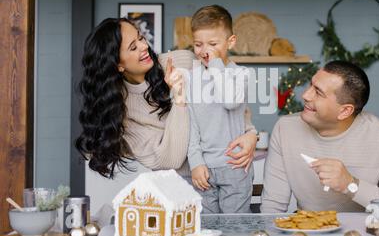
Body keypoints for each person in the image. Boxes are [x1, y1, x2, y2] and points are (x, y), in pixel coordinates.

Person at [75, 18, 258, 179]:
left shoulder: (183, 61)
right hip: (181, 189)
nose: (144, 46)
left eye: (140, 38)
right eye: (133, 47)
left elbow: (229, 95)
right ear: (118, 65)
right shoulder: (123, 113)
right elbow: (170, 159)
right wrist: (179, 101)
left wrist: (250, 133)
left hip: (223, 173)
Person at [261, 60, 379, 213]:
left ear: (345, 111)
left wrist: (351, 185)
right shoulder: (285, 128)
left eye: (318, 92)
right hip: (307, 230)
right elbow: (272, 207)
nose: (305, 95)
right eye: (311, 85)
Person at [186, 5, 254, 213]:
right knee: (206, 228)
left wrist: (215, 64)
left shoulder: (242, 74)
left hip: (234, 166)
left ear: (230, 41)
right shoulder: (191, 77)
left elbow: (230, 101)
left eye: (213, 44)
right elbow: (190, 125)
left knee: (235, 230)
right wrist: (195, 162)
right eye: (198, 44)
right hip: (203, 168)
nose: (204, 50)